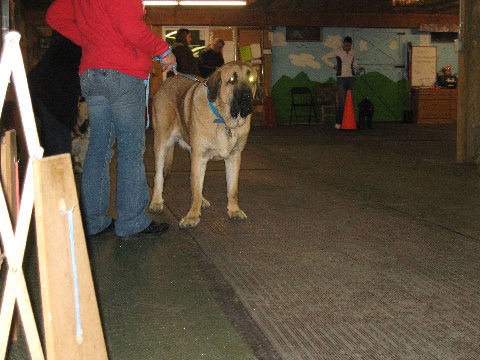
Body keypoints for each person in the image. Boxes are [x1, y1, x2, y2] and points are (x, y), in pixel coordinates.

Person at [46, 0, 176, 238]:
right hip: (122, 74)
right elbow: (131, 28)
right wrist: (163, 50)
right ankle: (132, 221)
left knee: (98, 148)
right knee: (130, 148)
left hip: (91, 73)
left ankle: (93, 220)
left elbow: (55, 16)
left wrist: (89, 38)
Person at [28, 30, 81, 156]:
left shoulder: (72, 37)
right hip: (52, 93)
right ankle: (57, 173)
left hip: (47, 89)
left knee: (56, 142)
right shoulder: (76, 38)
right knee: (59, 146)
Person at [322, 36, 358, 130]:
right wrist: (332, 65)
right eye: (346, 45)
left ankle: (352, 122)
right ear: (343, 43)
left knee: (352, 101)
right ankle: (338, 123)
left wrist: (358, 68)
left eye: (349, 45)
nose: (347, 47)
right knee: (342, 102)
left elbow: (355, 64)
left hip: (351, 78)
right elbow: (324, 57)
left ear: (351, 44)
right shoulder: (337, 51)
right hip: (341, 78)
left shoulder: (354, 51)